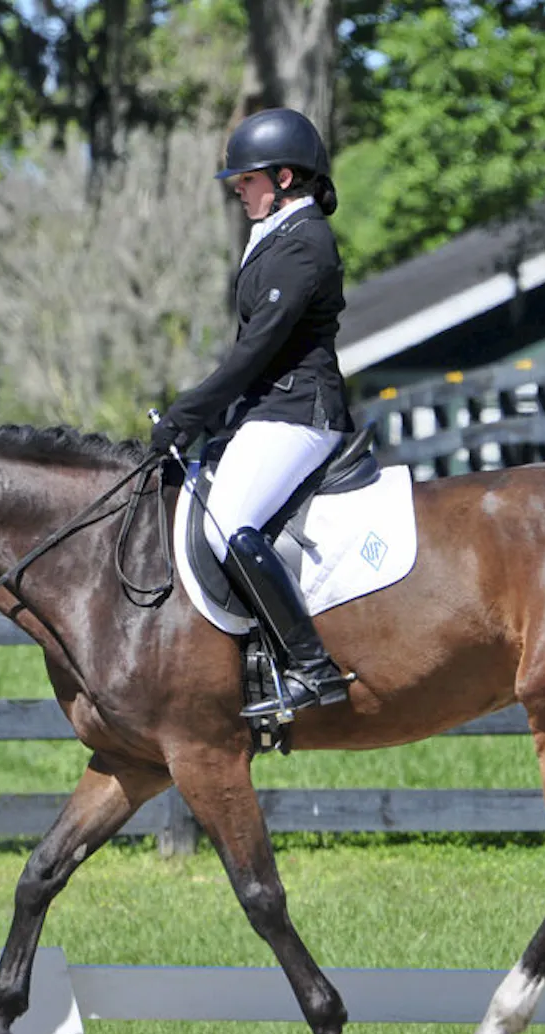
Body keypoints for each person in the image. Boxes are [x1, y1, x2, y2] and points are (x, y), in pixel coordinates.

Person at [149, 107, 355, 719]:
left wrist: (188, 413)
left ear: (285, 178)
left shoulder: (304, 244)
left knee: (227, 523)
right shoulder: (276, 236)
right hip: (268, 410)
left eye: (248, 180)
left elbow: (257, 347)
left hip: (299, 412)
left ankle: (311, 669)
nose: (239, 190)